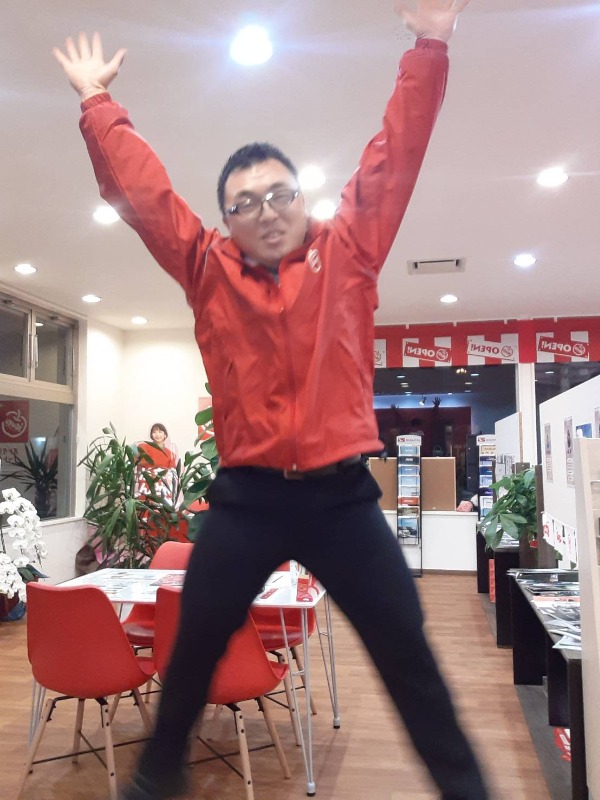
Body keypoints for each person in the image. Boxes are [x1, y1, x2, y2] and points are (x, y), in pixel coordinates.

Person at [53, 2, 488, 798]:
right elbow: (145, 193)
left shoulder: (349, 248)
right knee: (189, 658)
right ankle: (153, 782)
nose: (265, 209)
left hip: (343, 501)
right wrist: (97, 102)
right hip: (247, 501)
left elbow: (396, 153)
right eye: (244, 202)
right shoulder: (205, 266)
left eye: (277, 193)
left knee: (410, 657)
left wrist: (430, 43)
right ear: (227, 221)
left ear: (301, 199)